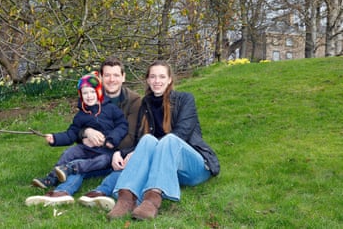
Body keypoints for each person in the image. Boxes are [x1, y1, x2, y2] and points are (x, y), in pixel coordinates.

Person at [106, 60, 220, 220]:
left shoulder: (185, 99)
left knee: (170, 140)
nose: (157, 81)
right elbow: (140, 140)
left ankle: (152, 199)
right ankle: (126, 198)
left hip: (195, 167)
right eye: (152, 77)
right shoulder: (145, 103)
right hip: (167, 171)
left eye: (161, 76)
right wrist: (122, 153)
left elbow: (182, 133)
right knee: (147, 140)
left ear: (169, 80)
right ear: (147, 80)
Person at [26, 57, 141, 207]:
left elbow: (129, 132)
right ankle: (59, 189)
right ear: (100, 77)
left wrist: (112, 145)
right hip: (90, 150)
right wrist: (84, 133)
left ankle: (90, 190)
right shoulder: (87, 104)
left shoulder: (134, 101)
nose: (112, 79)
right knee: (73, 157)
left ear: (123, 77)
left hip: (113, 153)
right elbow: (74, 131)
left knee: (84, 165)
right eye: (107, 75)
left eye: (116, 75)